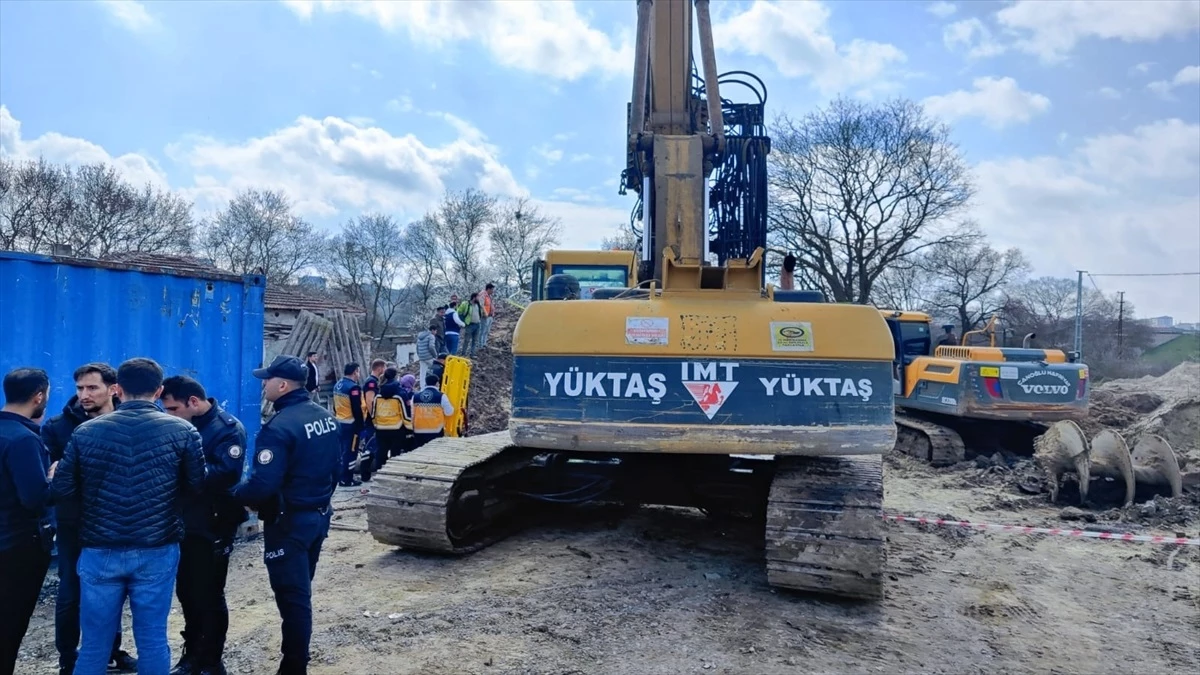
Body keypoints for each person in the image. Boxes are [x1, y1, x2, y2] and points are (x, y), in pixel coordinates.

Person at [51, 358, 205, 675]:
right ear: (159, 390)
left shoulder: (85, 432)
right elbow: (195, 486)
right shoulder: (183, 431)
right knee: (152, 641)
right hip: (157, 547)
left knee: (93, 645)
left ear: (117, 389)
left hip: (99, 548)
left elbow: (62, 490)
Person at [232, 355, 340, 675]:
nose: (263, 384)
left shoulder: (279, 427)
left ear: (282, 385)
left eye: (267, 380)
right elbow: (336, 467)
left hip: (290, 522)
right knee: (300, 591)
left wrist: (231, 495)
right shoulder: (325, 416)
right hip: (318, 516)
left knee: (293, 601)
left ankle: (293, 667)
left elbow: (263, 485)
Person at [41, 362, 137, 675]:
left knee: (114, 591)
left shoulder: (130, 421)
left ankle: (111, 652)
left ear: (114, 389)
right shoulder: (57, 427)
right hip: (73, 524)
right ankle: (68, 658)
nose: (84, 394)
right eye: (80, 388)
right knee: (70, 593)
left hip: (117, 522)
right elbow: (49, 478)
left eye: (92, 388)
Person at [160, 376, 248, 675]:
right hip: (185, 522)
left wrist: (179, 471)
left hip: (213, 521)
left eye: (173, 408)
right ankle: (192, 654)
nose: (168, 414)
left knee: (209, 593)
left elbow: (225, 475)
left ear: (193, 402)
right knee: (187, 591)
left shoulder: (227, 429)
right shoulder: (181, 426)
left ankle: (211, 659)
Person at [0, 367, 56, 675]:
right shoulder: (22, 440)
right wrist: (54, 479)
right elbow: (34, 498)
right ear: (39, 396)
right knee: (9, 627)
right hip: (16, 549)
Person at [331, 364, 364, 487]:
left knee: (341, 451)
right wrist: (361, 425)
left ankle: (340, 476)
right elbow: (357, 409)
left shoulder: (338, 385)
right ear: (355, 372)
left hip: (339, 422)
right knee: (351, 452)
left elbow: (334, 405)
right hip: (350, 424)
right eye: (358, 372)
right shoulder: (353, 388)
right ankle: (347, 479)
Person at [410, 374, 455, 452]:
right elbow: (449, 412)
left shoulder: (415, 396)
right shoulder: (441, 396)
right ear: (437, 383)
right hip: (435, 432)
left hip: (418, 431)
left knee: (419, 453)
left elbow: (411, 414)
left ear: (426, 383)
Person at [371, 368, 404, 468]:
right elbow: (405, 413)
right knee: (395, 453)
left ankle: (379, 472)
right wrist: (409, 427)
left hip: (381, 428)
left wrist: (376, 425)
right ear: (396, 376)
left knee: (381, 452)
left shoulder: (378, 394)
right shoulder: (400, 394)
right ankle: (393, 473)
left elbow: (373, 413)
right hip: (396, 428)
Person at [459, 293, 483, 357]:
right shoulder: (466, 304)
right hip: (469, 325)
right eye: (478, 297)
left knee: (475, 340)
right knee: (466, 340)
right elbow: (459, 312)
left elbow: (480, 313)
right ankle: (463, 354)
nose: (479, 298)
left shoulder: (478, 304)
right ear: (474, 297)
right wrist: (464, 322)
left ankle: (472, 354)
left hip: (477, 324)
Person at [478, 283, 496, 349]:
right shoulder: (483, 294)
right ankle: (480, 345)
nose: (493, 291)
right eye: (492, 289)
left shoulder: (489, 296)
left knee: (486, 331)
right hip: (484, 316)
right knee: (482, 330)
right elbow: (481, 305)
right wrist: (485, 313)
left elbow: (490, 305)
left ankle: (484, 343)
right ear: (488, 289)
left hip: (490, 316)